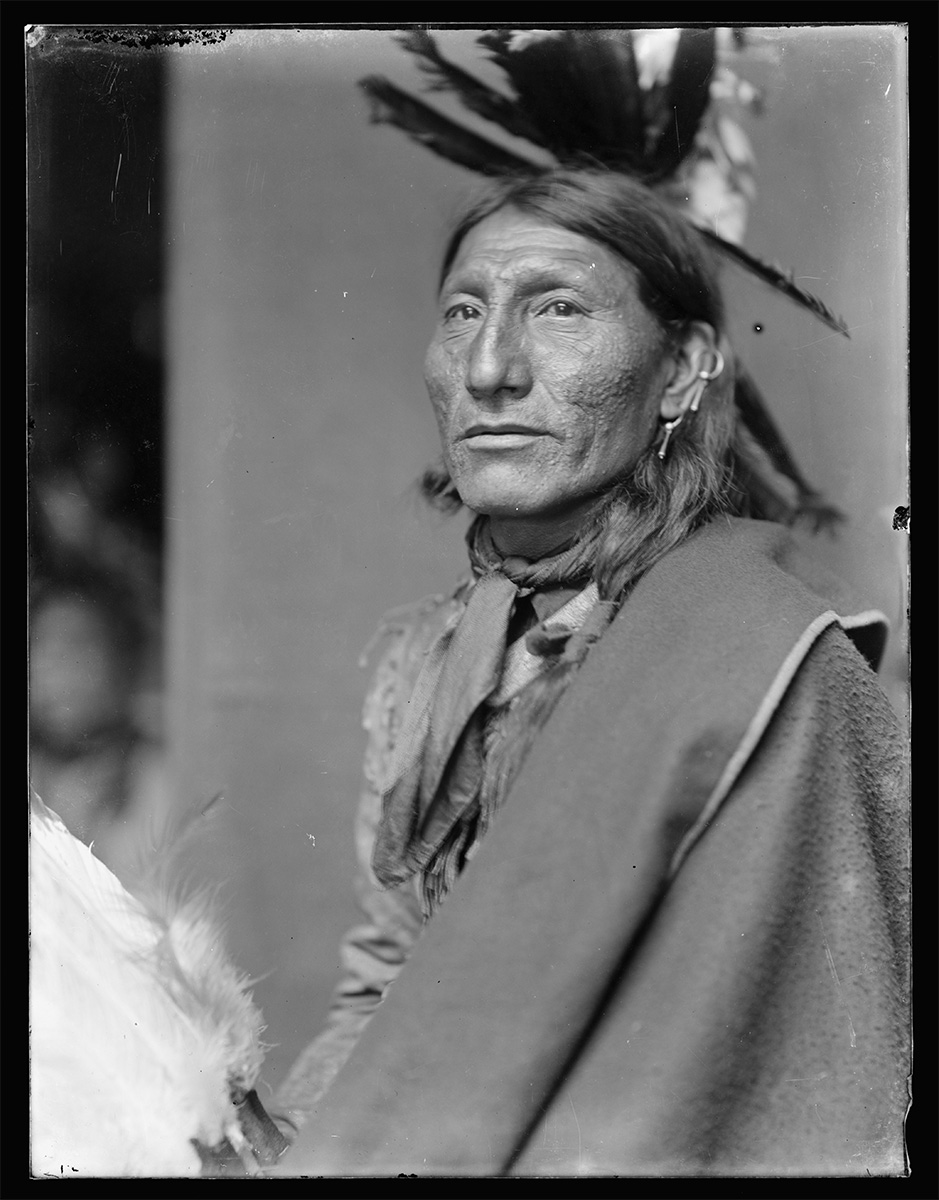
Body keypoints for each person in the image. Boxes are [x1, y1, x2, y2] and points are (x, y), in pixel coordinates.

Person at [270, 169, 909, 1177]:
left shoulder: (777, 662)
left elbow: (820, 1060)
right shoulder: (427, 662)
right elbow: (392, 982)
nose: (490, 367)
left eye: (558, 308)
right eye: (464, 311)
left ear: (683, 367)